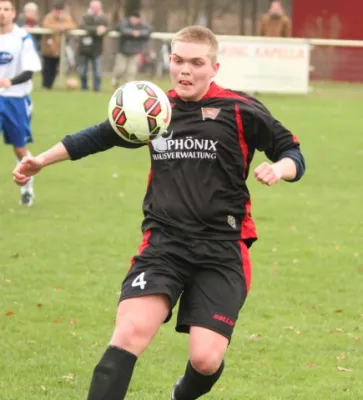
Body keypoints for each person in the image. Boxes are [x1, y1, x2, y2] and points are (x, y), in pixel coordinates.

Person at [13, 25, 306, 399]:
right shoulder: (155, 109)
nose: (185, 70)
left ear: (214, 67)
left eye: (196, 63)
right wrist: (41, 160)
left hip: (223, 248)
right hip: (164, 244)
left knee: (205, 359)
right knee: (128, 334)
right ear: (169, 61)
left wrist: (279, 169)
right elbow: (99, 136)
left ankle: (180, 394)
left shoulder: (241, 109)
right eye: (178, 60)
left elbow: (293, 152)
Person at [0, 0, 41, 206]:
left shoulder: (22, 37)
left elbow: (30, 69)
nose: (2, 13)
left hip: (15, 99)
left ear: (13, 13)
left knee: (19, 148)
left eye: (6, 9)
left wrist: (9, 81)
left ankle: (27, 188)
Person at [40, 3, 75, 89]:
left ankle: (50, 85)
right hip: (48, 48)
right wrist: (58, 27)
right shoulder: (49, 17)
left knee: (54, 68)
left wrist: (64, 26)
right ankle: (45, 85)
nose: (58, 13)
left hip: (59, 48)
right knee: (47, 67)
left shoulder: (66, 17)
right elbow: (45, 25)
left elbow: (72, 25)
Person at [112, 10, 151, 87]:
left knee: (131, 72)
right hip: (123, 51)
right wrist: (132, 33)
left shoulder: (142, 26)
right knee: (120, 69)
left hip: (134, 52)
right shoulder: (124, 23)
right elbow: (121, 29)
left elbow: (148, 31)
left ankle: (127, 87)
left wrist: (139, 33)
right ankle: (115, 80)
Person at [77, 0, 108, 92]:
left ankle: (97, 89)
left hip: (97, 48)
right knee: (82, 71)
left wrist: (104, 29)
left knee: (98, 71)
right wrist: (97, 29)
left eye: (97, 7)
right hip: (84, 48)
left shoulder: (103, 18)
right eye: (94, 7)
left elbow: (108, 27)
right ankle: (84, 88)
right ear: (90, 7)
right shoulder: (85, 17)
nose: (95, 9)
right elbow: (83, 27)